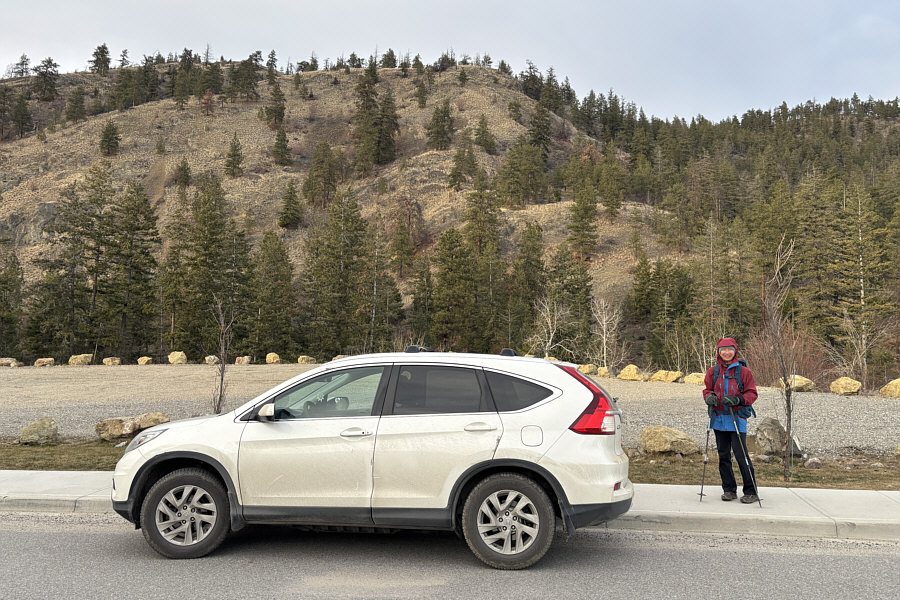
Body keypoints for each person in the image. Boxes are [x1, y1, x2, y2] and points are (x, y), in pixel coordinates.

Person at [703, 337, 759, 503]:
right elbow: (707, 390)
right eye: (723, 350)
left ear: (735, 351)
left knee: (741, 455)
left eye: (730, 349)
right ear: (718, 352)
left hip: (737, 418)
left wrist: (738, 400)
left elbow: (752, 393)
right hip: (718, 418)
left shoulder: (744, 372)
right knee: (723, 455)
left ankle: (751, 491)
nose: (727, 352)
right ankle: (729, 490)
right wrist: (709, 397)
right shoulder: (713, 372)